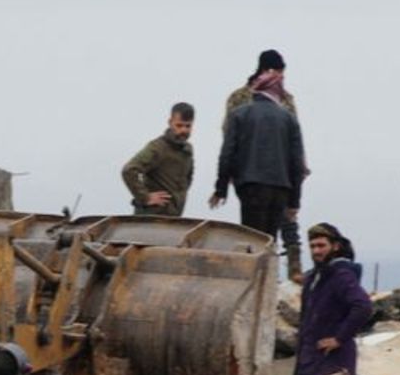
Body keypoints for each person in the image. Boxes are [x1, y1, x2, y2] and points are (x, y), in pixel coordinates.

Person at [224, 50, 308, 280]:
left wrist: (300, 166)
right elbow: (229, 134)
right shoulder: (240, 98)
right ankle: (257, 273)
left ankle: (293, 269)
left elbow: (294, 136)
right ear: (269, 71)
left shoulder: (286, 99)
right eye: (280, 73)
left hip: (280, 167)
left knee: (288, 219)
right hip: (250, 171)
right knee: (256, 228)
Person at [211, 69, 307, 251]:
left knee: (252, 241)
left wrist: (221, 189)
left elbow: (227, 154)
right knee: (270, 243)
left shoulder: (239, 115)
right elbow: (297, 163)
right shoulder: (289, 120)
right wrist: (294, 202)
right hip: (281, 189)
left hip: (250, 187)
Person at [293, 223, 374, 375]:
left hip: (334, 361)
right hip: (314, 360)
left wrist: (339, 338)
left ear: (335, 246)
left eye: (321, 246)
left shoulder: (341, 276)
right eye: (313, 246)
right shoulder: (316, 277)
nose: (316, 251)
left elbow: (363, 306)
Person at [121, 103, 195, 216]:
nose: (183, 130)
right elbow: (129, 170)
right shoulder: (158, 148)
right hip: (150, 219)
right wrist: (145, 197)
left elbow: (187, 180)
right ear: (170, 123)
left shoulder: (187, 150)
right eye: (179, 126)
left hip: (173, 218)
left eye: (188, 126)